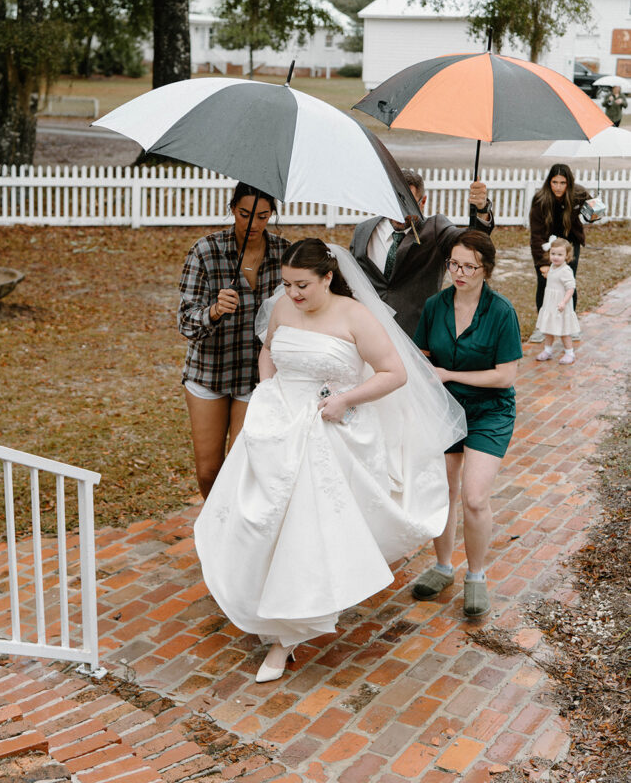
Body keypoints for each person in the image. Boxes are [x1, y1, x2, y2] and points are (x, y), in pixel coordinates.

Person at [194, 239, 466, 682]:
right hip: (276, 425)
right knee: (259, 521)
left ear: (327, 278)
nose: (293, 294)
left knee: (304, 531)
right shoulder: (283, 307)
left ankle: (286, 638)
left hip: (330, 431)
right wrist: (268, 389)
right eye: (286, 284)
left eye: (302, 285)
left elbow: (394, 374)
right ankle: (260, 599)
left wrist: (345, 400)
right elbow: (269, 349)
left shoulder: (356, 316)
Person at [411, 230, 522, 618]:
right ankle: (443, 567)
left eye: (468, 266)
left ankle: (476, 576)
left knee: (474, 496)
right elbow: (424, 355)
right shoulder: (435, 305)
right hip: (444, 408)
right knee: (443, 489)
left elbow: (505, 376)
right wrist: (429, 373)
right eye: (453, 264)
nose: (459, 272)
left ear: (485, 269)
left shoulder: (502, 312)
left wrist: (449, 375)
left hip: (489, 410)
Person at [177, 182, 288, 498]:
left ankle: (233, 538)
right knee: (209, 472)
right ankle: (217, 527)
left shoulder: (284, 253)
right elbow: (185, 321)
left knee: (242, 468)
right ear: (232, 209)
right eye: (244, 214)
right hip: (209, 373)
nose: (253, 225)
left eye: (263, 217)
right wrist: (213, 311)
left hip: (257, 377)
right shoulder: (205, 251)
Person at [350, 170, 494, 337]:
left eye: (408, 205)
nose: (400, 212)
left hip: (416, 336)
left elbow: (472, 241)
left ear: (423, 201)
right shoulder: (363, 231)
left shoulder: (436, 230)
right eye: (395, 202)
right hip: (366, 332)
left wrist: (482, 210)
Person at [528, 164, 590, 342]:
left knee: (569, 284)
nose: (558, 187)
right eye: (554, 182)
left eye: (562, 182)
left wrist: (595, 210)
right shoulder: (540, 199)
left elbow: (592, 212)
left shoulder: (578, 194)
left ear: (568, 183)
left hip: (570, 245)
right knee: (544, 285)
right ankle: (542, 327)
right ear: (549, 182)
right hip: (549, 246)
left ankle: (570, 327)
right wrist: (542, 264)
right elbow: (536, 235)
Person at [535, 237, 579, 365]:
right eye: (553, 254)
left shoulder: (566, 271)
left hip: (561, 305)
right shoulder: (552, 267)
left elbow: (571, 288)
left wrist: (564, 302)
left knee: (564, 330)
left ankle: (570, 352)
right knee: (548, 328)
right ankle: (547, 350)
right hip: (550, 304)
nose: (556, 257)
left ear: (567, 255)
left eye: (560, 255)